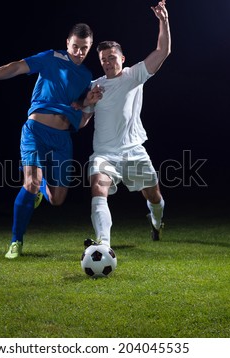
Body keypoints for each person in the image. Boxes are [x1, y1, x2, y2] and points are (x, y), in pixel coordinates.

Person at [0, 23, 102, 259]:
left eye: (85, 49)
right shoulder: (50, 58)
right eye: (75, 47)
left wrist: (88, 104)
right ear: (67, 43)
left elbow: (80, 121)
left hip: (62, 139)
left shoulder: (87, 77)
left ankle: (40, 188)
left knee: (57, 199)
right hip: (35, 131)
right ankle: (16, 241)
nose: (79, 53)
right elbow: (16, 67)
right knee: (30, 182)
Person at [83, 1, 171, 248]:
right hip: (104, 154)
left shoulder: (133, 76)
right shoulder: (94, 86)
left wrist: (163, 21)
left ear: (122, 58)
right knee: (98, 189)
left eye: (112, 58)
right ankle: (103, 244)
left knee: (153, 195)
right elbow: (81, 122)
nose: (108, 63)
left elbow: (162, 51)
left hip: (134, 151)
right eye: (103, 60)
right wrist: (86, 104)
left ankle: (156, 222)